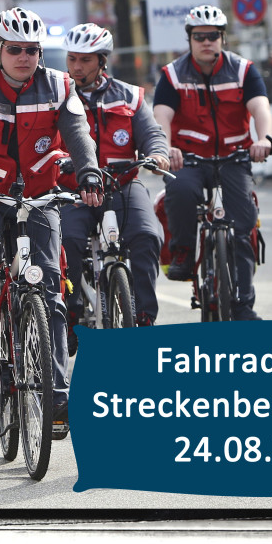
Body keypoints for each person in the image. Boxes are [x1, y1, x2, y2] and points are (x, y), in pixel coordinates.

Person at [0, 7, 103, 436]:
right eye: (15, 49)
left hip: (38, 195)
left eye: (33, 50)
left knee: (49, 282)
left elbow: (79, 134)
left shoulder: (59, 85)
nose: (25, 57)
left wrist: (89, 173)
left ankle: (57, 396)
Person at [152, 4, 272, 321]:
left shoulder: (243, 70)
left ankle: (243, 304)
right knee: (180, 191)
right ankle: (182, 250)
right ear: (190, 39)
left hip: (234, 157)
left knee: (244, 225)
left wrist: (265, 139)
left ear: (222, 38)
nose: (207, 42)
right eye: (199, 36)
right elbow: (161, 117)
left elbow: (260, 108)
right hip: (189, 158)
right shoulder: (172, 75)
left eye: (213, 36)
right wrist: (166, 149)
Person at [57, 23, 170, 339]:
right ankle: (71, 312)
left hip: (123, 183)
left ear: (102, 61)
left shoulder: (130, 96)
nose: (77, 67)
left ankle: (144, 318)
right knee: (68, 242)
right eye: (72, 59)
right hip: (72, 188)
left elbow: (152, 134)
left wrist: (158, 155)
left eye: (86, 60)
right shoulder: (55, 95)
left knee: (148, 236)